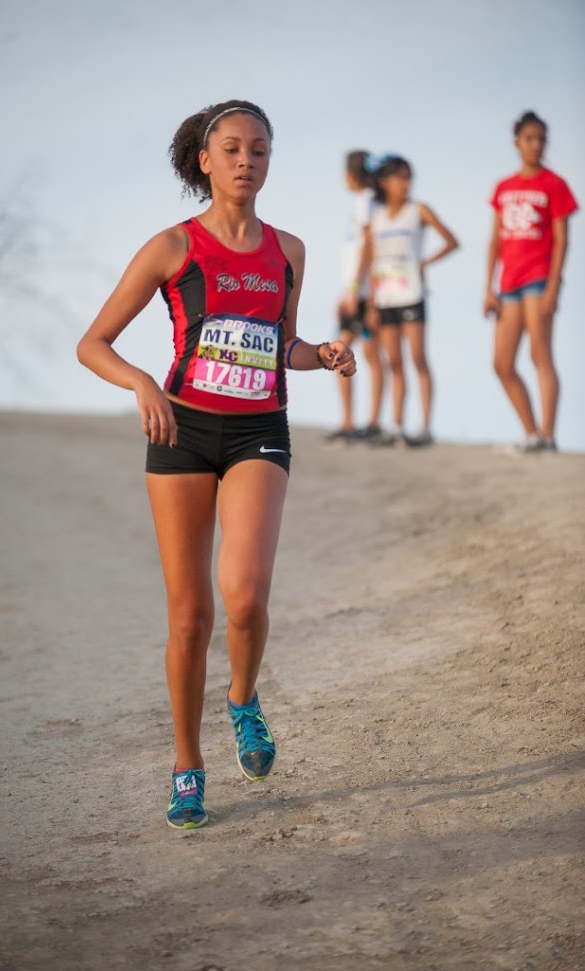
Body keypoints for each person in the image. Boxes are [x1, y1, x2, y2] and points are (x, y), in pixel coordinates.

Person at [76, 100, 355, 830]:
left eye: (259, 150)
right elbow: (93, 343)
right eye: (231, 149)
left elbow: (282, 344)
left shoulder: (288, 251)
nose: (246, 161)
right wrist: (141, 384)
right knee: (189, 617)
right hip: (182, 432)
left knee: (246, 597)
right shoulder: (173, 246)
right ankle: (186, 765)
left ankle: (242, 700)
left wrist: (319, 355)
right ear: (205, 161)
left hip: (260, 429)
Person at [484, 110, 578, 452]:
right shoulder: (504, 188)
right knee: (502, 363)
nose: (536, 145)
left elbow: (562, 239)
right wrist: (488, 289)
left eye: (541, 138)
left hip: (539, 281)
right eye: (529, 138)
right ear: (517, 142)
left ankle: (548, 436)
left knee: (541, 356)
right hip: (508, 284)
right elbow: (495, 240)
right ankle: (531, 433)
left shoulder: (555, 184)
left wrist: (554, 287)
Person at [364, 156, 459, 446]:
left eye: (408, 177)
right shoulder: (376, 217)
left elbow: (451, 241)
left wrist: (423, 263)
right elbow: (370, 261)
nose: (406, 183)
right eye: (400, 177)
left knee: (418, 358)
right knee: (393, 361)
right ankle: (396, 426)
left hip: (412, 295)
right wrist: (370, 304)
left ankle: (426, 427)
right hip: (385, 297)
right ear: (385, 182)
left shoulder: (419, 211)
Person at [327, 150, 384, 442]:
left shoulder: (367, 202)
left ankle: (368, 423)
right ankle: (353, 423)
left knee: (357, 353)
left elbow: (369, 247)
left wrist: (357, 292)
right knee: (361, 354)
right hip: (354, 291)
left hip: (362, 294)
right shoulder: (364, 203)